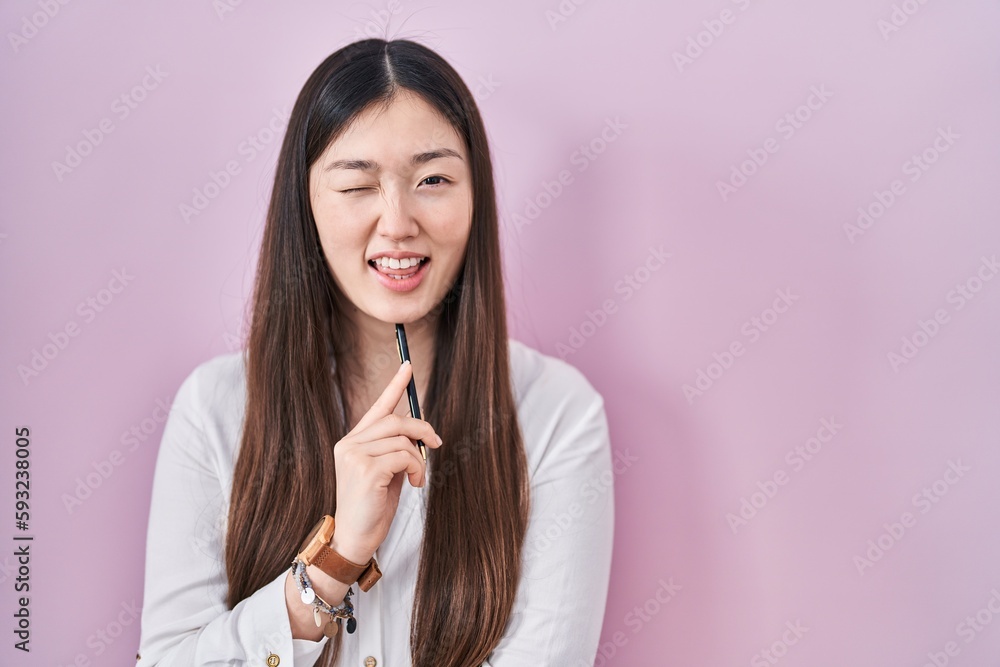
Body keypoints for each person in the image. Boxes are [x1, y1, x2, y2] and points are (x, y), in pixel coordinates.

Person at [136, 38, 614, 667]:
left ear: (476, 198)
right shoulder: (216, 408)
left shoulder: (556, 413)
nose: (396, 222)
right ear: (305, 205)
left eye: (433, 180)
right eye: (358, 185)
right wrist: (338, 559)